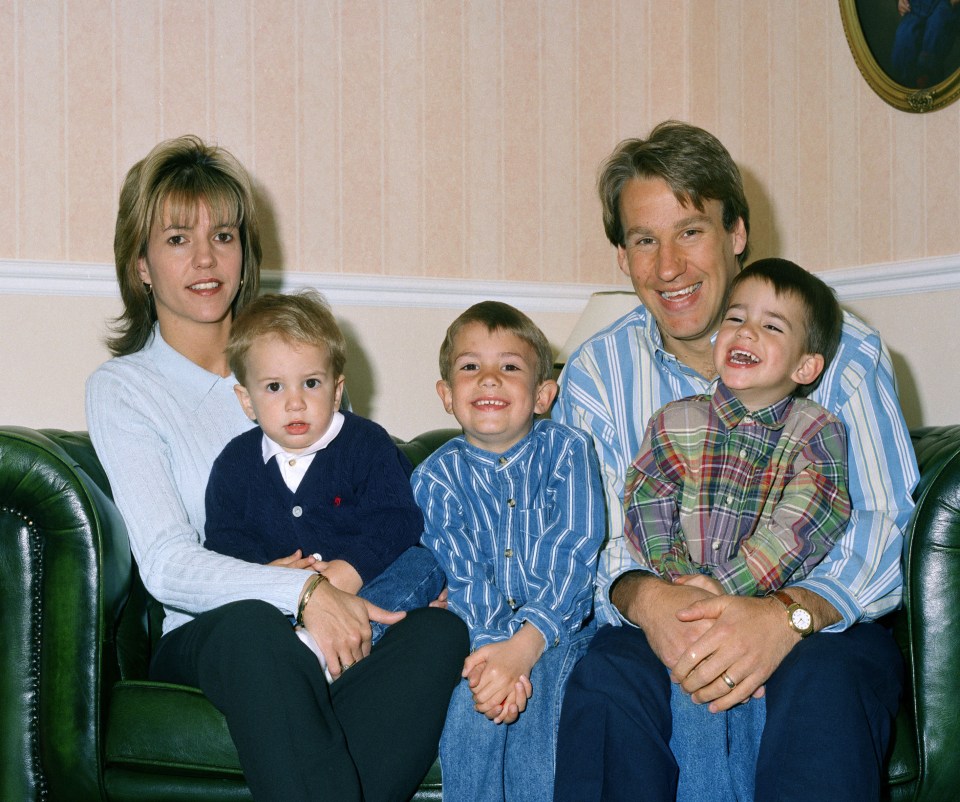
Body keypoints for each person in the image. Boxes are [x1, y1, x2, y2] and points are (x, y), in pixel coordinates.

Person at [85, 134, 468, 802]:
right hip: (216, 635)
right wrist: (303, 594)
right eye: (177, 239)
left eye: (224, 236)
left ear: (245, 252)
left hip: (347, 616)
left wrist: (393, 583)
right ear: (140, 263)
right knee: (254, 630)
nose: (205, 258)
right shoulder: (126, 388)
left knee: (439, 633)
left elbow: (381, 511)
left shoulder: (301, 375)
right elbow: (168, 564)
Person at [552, 120, 919, 801]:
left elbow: (883, 518)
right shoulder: (598, 373)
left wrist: (789, 615)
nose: (668, 267)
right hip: (655, 607)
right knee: (605, 686)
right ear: (623, 256)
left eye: (689, 230)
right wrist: (650, 599)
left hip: (818, 623)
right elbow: (587, 532)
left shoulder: (846, 353)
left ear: (737, 234)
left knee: (826, 690)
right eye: (643, 240)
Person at [621, 258, 850, 800]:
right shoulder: (673, 420)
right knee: (688, 705)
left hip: (759, 616)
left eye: (771, 326)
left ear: (805, 367)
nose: (746, 332)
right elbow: (645, 501)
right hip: (685, 606)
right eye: (736, 318)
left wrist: (725, 587)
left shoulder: (817, 432)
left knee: (748, 708)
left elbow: (806, 522)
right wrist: (680, 585)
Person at [412, 301, 604, 802]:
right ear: (447, 395)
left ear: (543, 396)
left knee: (540, 701)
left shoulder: (568, 450)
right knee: (471, 706)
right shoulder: (433, 477)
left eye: (510, 367)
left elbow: (574, 551)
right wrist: (497, 655)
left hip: (563, 628)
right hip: (479, 632)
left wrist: (525, 646)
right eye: (470, 366)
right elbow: (461, 572)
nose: (489, 379)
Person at [203, 289, 445, 681]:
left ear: (336, 390)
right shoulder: (234, 464)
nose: (295, 402)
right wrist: (270, 575)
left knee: (425, 561)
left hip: (369, 587)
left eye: (311, 383)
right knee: (242, 610)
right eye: (275, 387)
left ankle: (334, 653)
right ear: (247, 401)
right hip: (284, 608)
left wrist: (351, 570)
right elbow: (223, 541)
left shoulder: (367, 444)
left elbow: (399, 519)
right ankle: (302, 650)